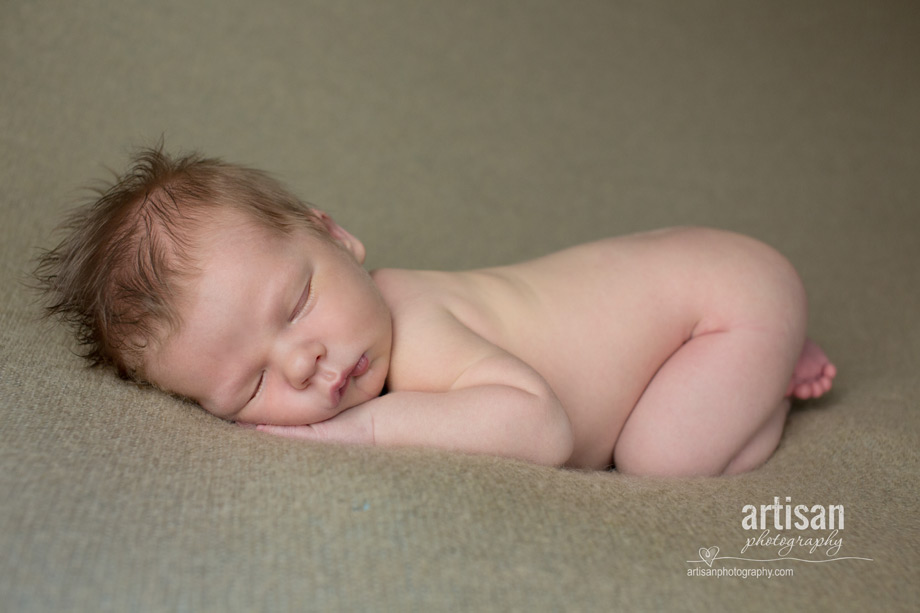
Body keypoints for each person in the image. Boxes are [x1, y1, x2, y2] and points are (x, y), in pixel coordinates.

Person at [34, 147, 836, 476]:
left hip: (720, 295)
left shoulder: (417, 328)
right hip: (680, 299)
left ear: (335, 235)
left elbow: (544, 429)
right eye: (249, 387)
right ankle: (759, 354)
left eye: (298, 302)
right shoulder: (366, 334)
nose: (303, 361)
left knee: (663, 457)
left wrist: (364, 429)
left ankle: (766, 363)